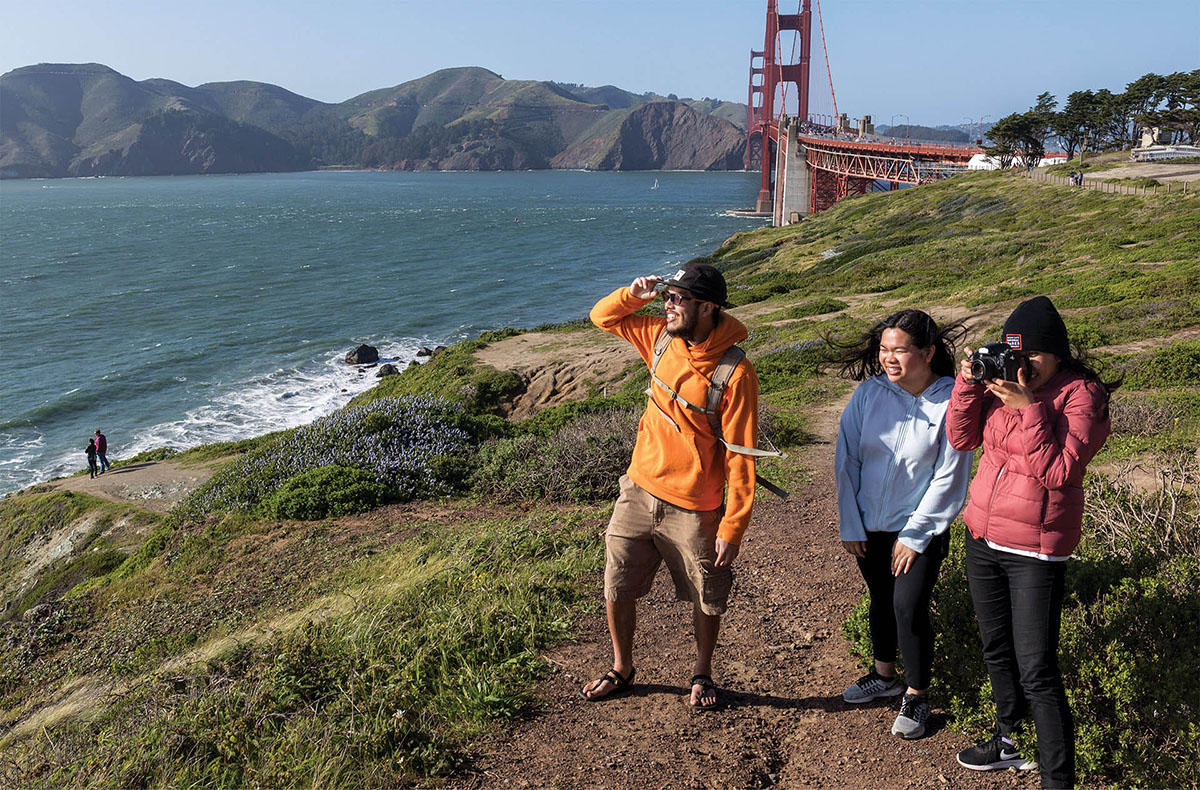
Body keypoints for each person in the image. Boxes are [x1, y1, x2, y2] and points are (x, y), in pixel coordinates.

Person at [947, 296, 1115, 789]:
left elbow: (1058, 471)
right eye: (1015, 355)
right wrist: (968, 384)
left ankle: (1058, 780)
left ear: (1057, 354)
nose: (1024, 367)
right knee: (996, 648)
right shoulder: (1005, 387)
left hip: (1035, 550)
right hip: (983, 534)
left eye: (1034, 357)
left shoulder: (1081, 395)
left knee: (1037, 668)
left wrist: (1027, 409)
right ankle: (1008, 742)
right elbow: (961, 440)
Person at [579, 263, 760, 711]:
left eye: (678, 298)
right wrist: (634, 294)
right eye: (668, 297)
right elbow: (602, 317)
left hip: (696, 506)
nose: (669, 304)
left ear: (708, 307)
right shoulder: (660, 336)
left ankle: (702, 670)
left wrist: (732, 527)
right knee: (616, 584)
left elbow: (740, 455)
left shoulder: (735, 373)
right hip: (637, 490)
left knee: (706, 593)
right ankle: (622, 666)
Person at [833, 309, 973, 740]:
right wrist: (850, 522)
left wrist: (915, 535)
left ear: (928, 353)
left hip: (920, 529)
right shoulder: (869, 394)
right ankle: (885, 676)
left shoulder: (952, 401)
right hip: (868, 526)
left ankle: (916, 695)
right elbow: (847, 459)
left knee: (907, 606)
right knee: (881, 598)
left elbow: (950, 477)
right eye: (883, 350)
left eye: (899, 351)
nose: (888, 359)